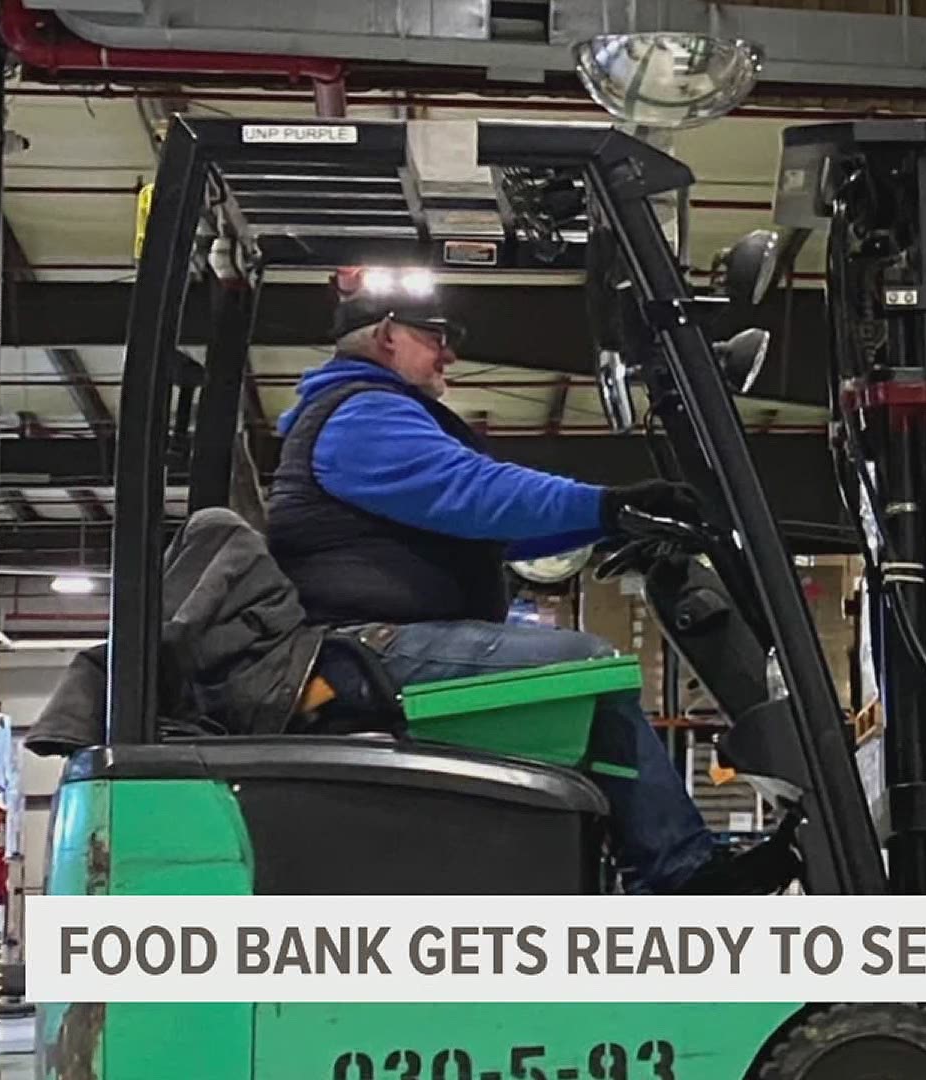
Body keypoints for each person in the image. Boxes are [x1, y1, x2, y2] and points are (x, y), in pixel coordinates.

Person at [265, 270, 793, 895]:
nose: (451, 354)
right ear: (387, 337)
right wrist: (605, 505)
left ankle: (652, 868)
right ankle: (680, 875)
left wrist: (607, 528)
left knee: (580, 682)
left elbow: (492, 532)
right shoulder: (362, 415)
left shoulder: (363, 413)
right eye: (437, 337)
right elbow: (474, 493)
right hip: (369, 648)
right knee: (585, 668)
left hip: (381, 644)